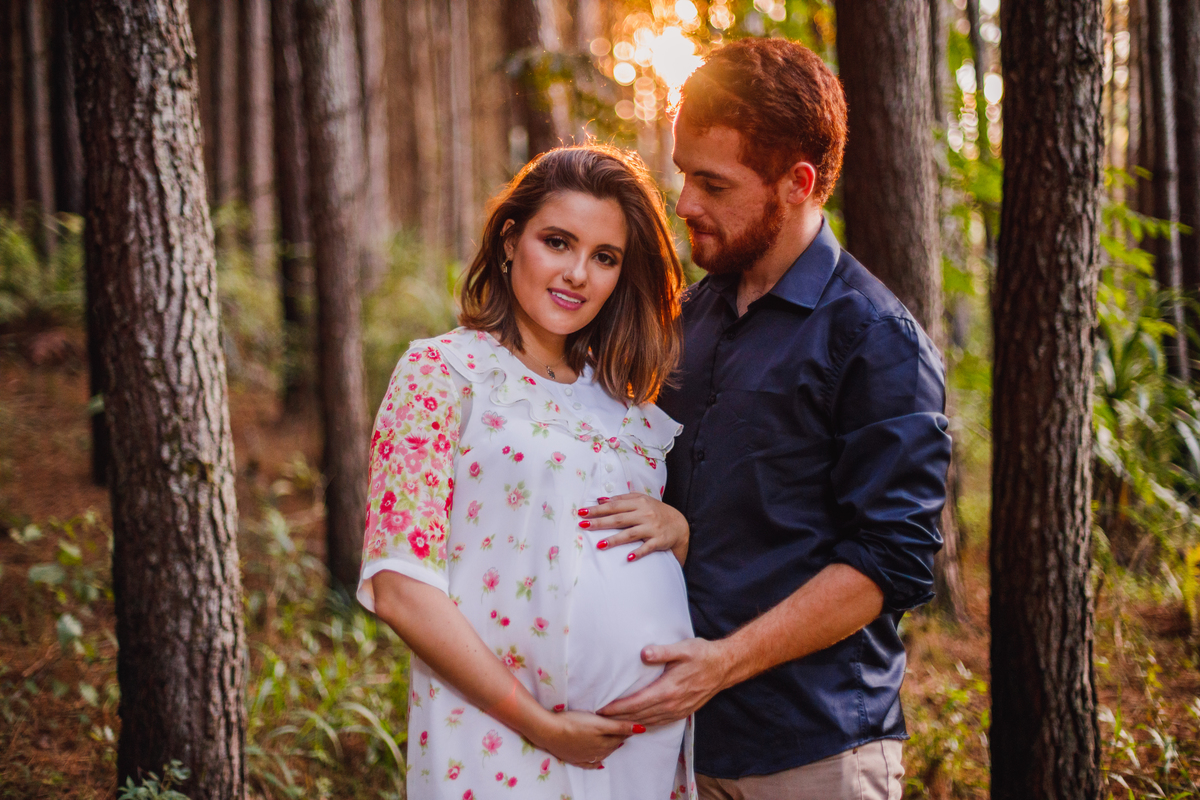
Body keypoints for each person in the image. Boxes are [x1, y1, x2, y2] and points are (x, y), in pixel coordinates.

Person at [596, 38, 953, 800]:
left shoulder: (873, 337)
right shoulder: (688, 318)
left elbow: (890, 561)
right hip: (680, 747)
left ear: (796, 184)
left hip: (814, 754)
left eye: (712, 183)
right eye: (684, 173)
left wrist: (723, 661)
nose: (684, 202)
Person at [357, 144, 699, 800]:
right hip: (501, 742)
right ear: (511, 240)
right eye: (557, 242)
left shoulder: (626, 403)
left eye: (605, 257)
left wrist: (676, 528)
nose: (577, 274)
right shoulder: (441, 373)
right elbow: (400, 584)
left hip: (642, 756)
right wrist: (538, 722)